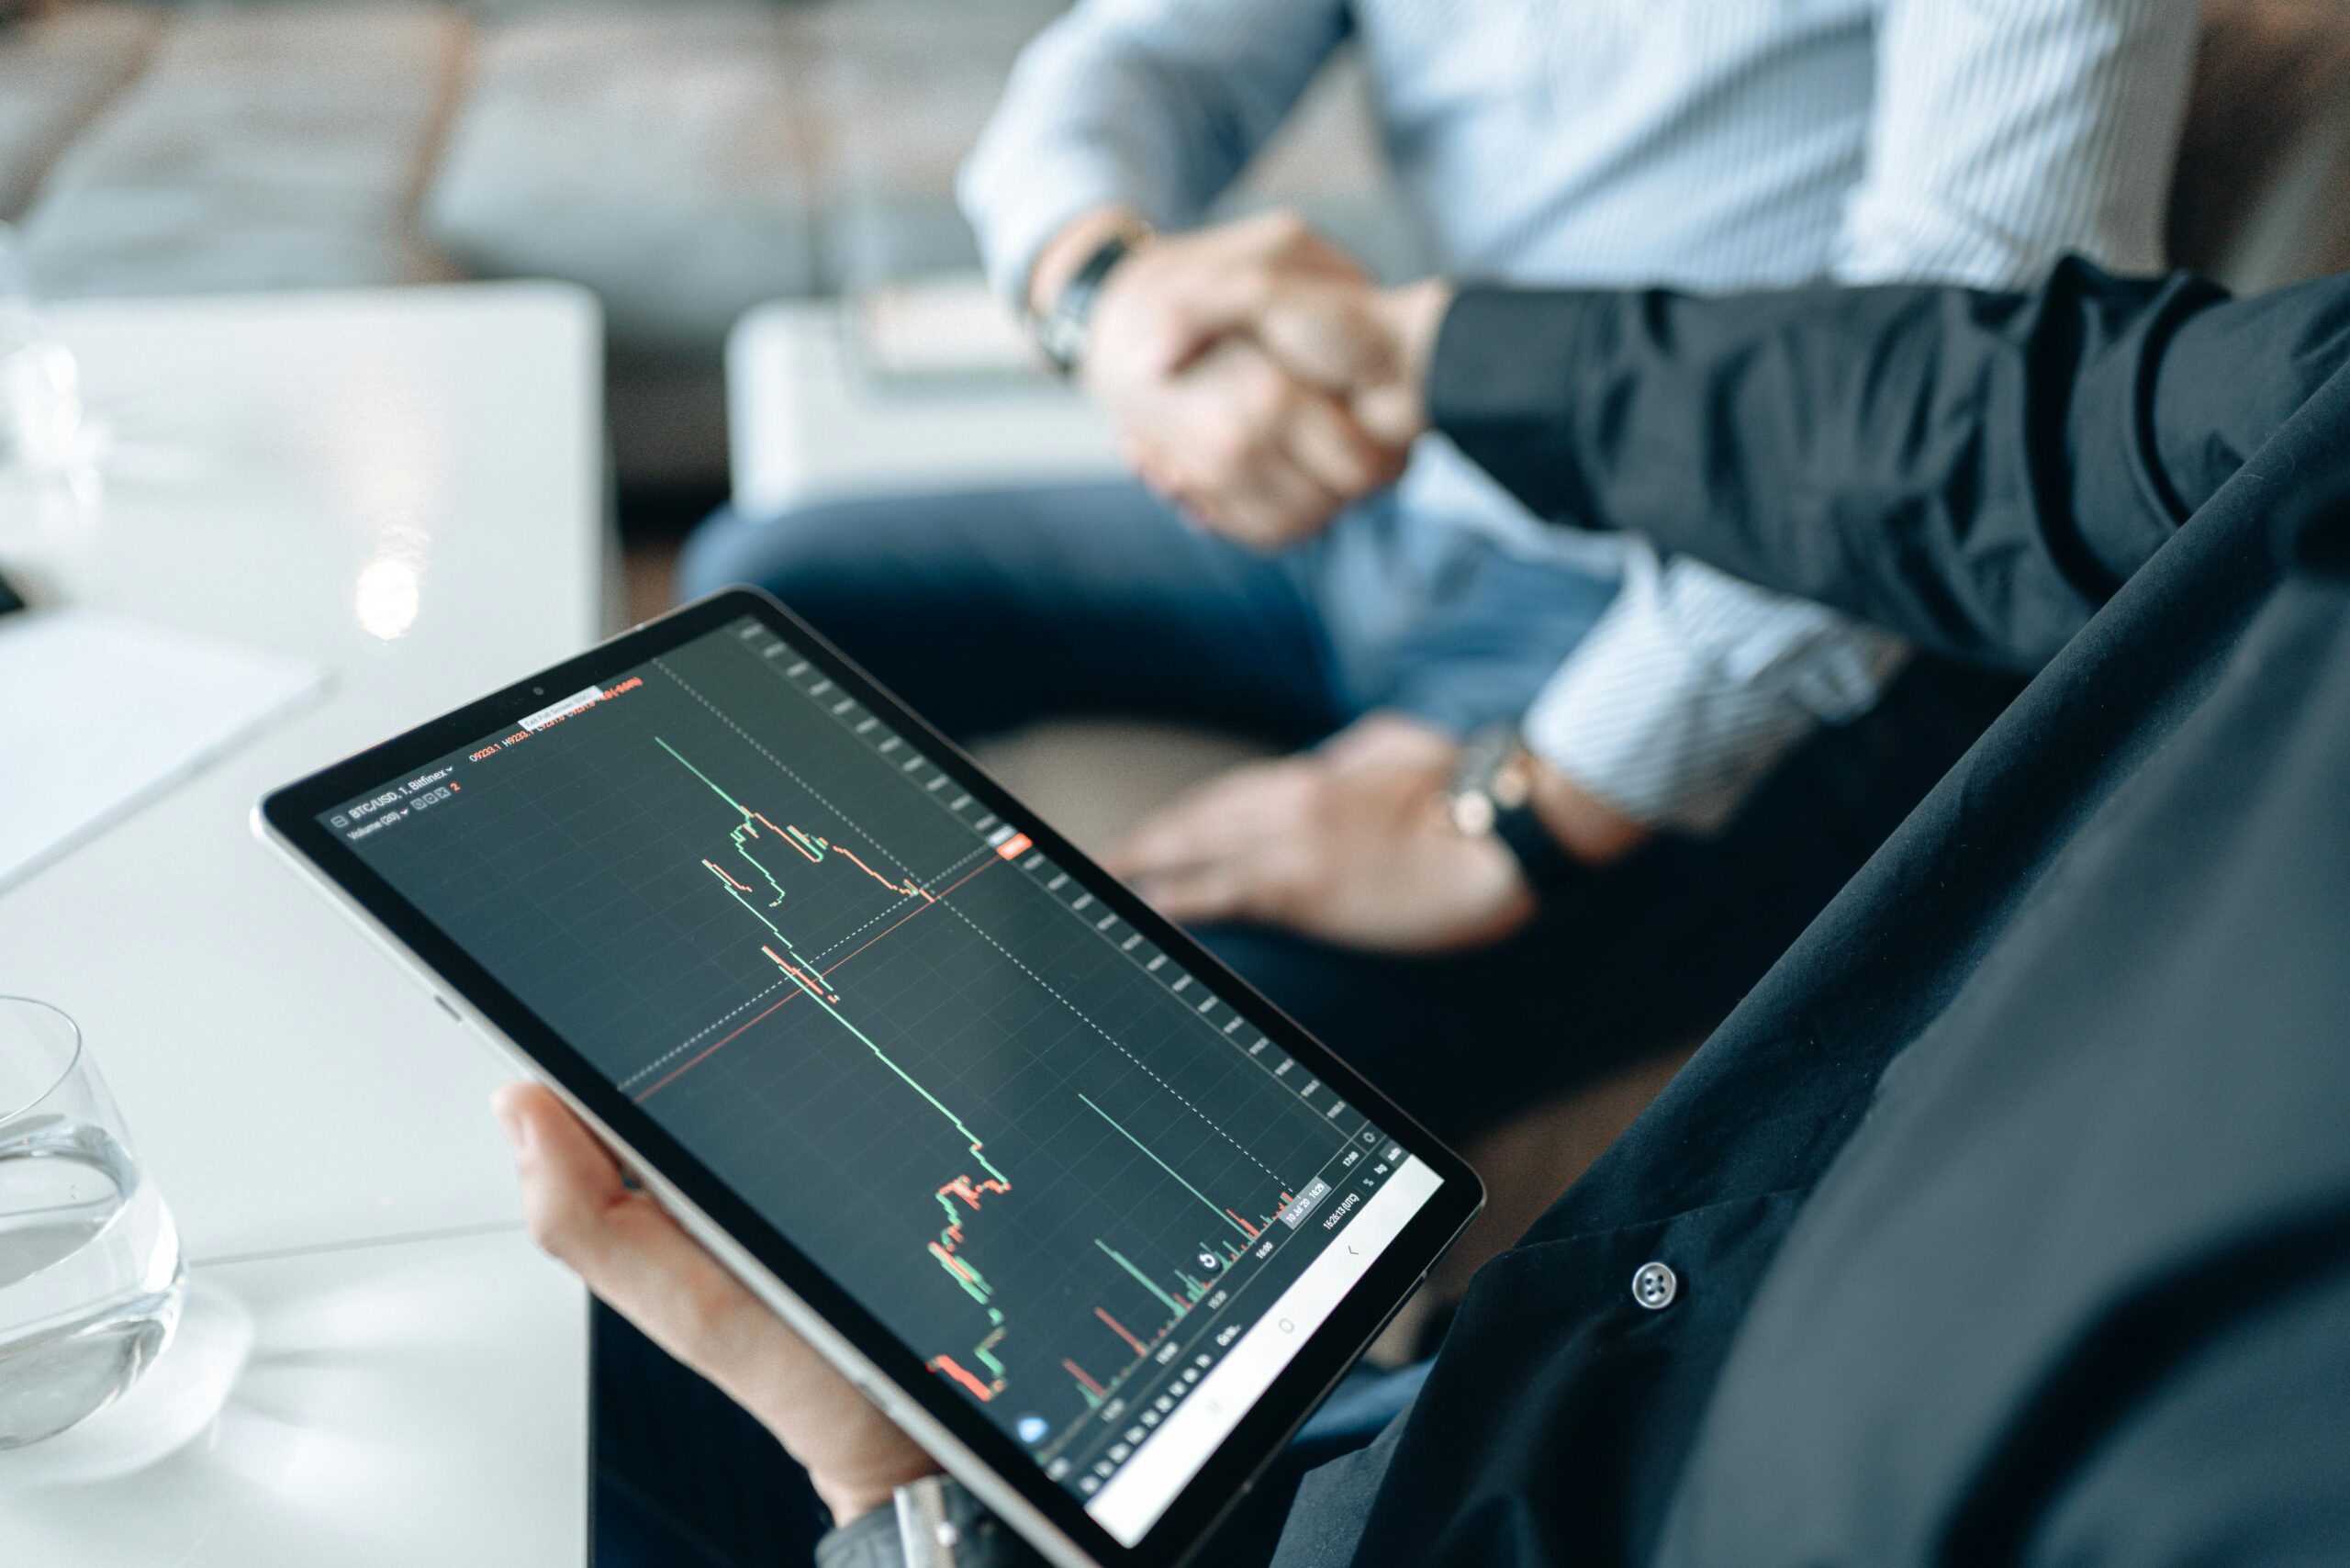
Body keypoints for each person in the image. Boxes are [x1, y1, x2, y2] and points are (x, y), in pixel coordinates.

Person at [510, 253, 2350, 1567]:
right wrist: (1429, 350)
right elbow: (2033, 407)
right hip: (1546, 1353)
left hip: (1527, 1496)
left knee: (637, 1383)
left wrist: (901, 1509)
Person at [678, 2, 2200, 1137]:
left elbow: (1949, 415)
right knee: (758, 606)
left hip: (1751, 621)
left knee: (1151, 1067)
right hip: (1401, 498)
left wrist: (1527, 807)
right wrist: (1109, 295)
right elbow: (1139, 61)